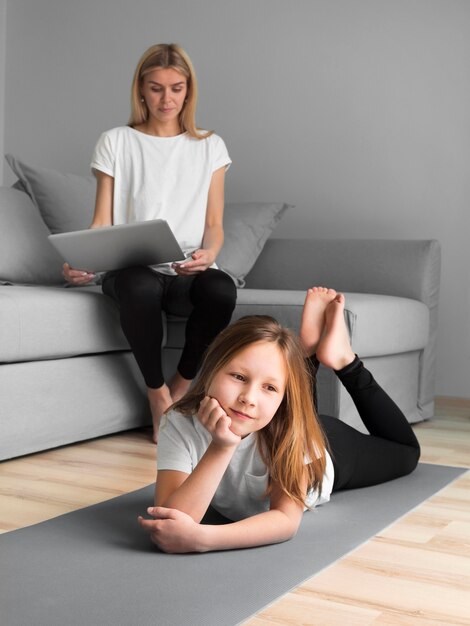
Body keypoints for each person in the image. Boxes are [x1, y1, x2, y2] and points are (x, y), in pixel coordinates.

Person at [138, 287, 421, 553]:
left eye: (269, 387)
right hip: (274, 417)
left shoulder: (294, 433)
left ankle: (344, 359)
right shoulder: (178, 421)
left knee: (407, 453)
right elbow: (171, 519)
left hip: (326, 449)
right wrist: (221, 446)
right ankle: (305, 354)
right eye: (238, 377)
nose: (247, 397)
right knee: (280, 399)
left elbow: (285, 520)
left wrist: (204, 538)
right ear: (212, 369)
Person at [63, 44, 237, 441]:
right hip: (132, 273)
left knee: (221, 289)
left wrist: (209, 254)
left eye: (176, 88)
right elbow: (101, 221)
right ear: (141, 90)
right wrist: (81, 259)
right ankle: (157, 396)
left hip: (183, 273)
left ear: (189, 91)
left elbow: (214, 224)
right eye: (156, 88)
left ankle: (180, 388)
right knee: (138, 282)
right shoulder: (116, 141)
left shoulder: (210, 145)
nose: (167, 98)